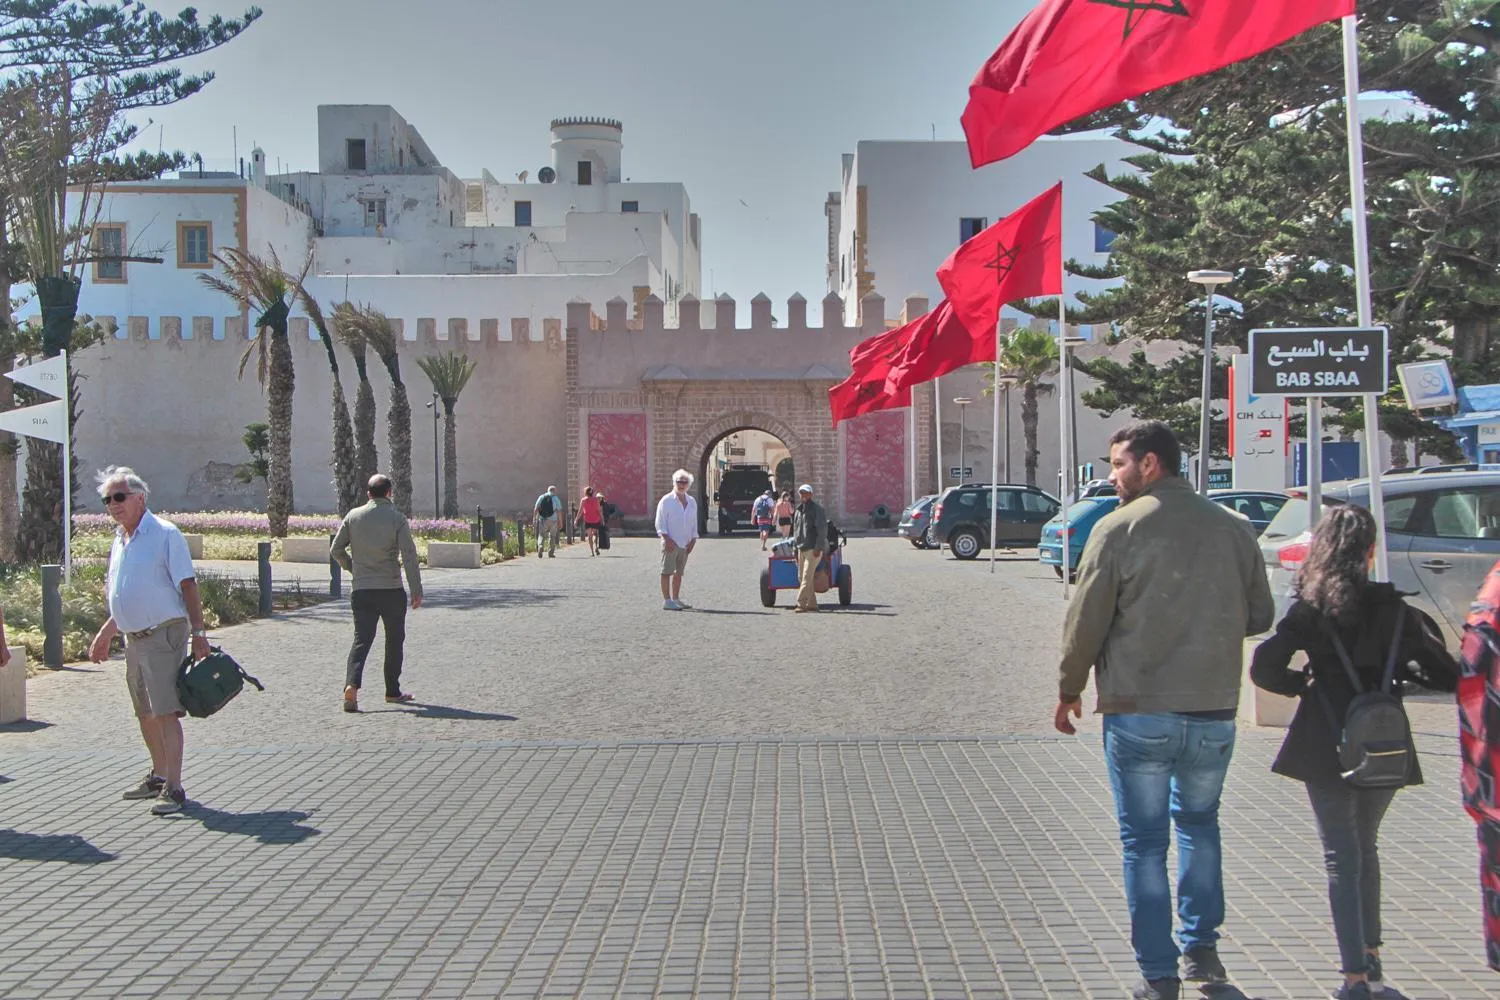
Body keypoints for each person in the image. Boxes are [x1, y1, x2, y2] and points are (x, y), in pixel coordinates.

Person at [1055, 421, 1273, 1000]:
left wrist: (1068, 688)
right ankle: (1202, 950)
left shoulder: (1117, 529)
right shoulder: (1234, 528)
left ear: (1150, 464)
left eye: (1118, 463)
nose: (1111, 474)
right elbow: (1261, 616)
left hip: (1140, 709)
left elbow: (1086, 621)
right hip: (1214, 709)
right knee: (1200, 826)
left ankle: (1158, 974)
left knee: (1144, 844)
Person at [1252, 505, 1457, 999]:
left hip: (1325, 741)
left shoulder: (1312, 610)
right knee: (1367, 849)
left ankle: (1353, 979)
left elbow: (1263, 667)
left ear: (1322, 549)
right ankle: (1372, 961)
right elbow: (1446, 675)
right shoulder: (1396, 610)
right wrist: (1400, 680)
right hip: (1382, 740)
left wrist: (1303, 684)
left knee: (1341, 858)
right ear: (1370, 551)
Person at [87, 466, 212, 816]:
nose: (112, 505)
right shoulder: (120, 538)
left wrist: (200, 634)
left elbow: (187, 584)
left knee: (165, 711)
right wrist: (107, 631)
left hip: (163, 634)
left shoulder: (164, 534)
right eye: (107, 499)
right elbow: (127, 591)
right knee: (144, 712)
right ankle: (158, 775)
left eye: (119, 497)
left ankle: (175, 787)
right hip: (133, 637)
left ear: (140, 498)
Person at [332, 474, 424, 713]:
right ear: (389, 493)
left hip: (362, 590)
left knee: (362, 639)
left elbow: (336, 549)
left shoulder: (353, 516)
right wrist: (416, 589)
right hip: (391, 589)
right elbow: (409, 555)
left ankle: (351, 686)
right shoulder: (396, 518)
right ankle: (392, 691)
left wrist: (353, 568)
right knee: (394, 640)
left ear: (369, 493)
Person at [655, 469, 698, 610]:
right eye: (679, 481)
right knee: (666, 571)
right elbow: (660, 522)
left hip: (685, 543)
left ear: (689, 484)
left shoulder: (691, 501)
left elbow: (693, 523)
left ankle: (676, 598)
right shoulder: (666, 501)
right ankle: (667, 600)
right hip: (671, 543)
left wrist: (693, 539)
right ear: (674, 483)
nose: (681, 484)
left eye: (684, 482)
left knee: (679, 573)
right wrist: (666, 539)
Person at [791, 484, 827, 613]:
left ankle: (801, 603)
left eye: (806, 493)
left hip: (813, 549)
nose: (803, 495)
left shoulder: (817, 510)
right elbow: (795, 531)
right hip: (801, 548)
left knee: (806, 577)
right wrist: (795, 549)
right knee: (802, 578)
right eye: (801, 493)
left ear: (811, 494)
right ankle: (812, 604)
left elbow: (822, 530)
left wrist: (818, 547)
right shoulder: (798, 511)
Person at [534, 485, 562, 558]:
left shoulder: (541, 497)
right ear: (554, 491)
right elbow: (559, 511)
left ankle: (540, 546)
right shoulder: (555, 498)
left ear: (548, 490)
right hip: (553, 520)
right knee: (552, 536)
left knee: (541, 535)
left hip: (543, 519)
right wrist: (560, 522)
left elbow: (536, 508)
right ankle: (551, 552)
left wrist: (534, 518)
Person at [577, 486, 604, 556]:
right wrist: (602, 519)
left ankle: (592, 552)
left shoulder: (583, 500)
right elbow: (599, 510)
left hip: (587, 520)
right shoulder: (596, 500)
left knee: (589, 536)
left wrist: (576, 519)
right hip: (596, 519)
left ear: (586, 492)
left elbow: (580, 511)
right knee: (595, 534)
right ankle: (596, 547)